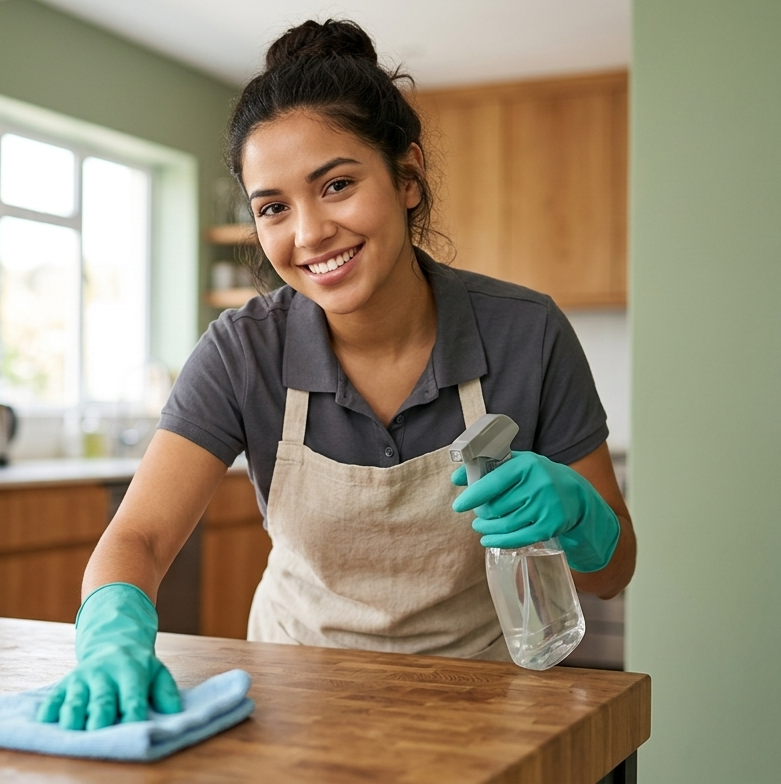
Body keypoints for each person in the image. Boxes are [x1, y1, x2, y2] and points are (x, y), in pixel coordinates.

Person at [37, 18, 636, 732]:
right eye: (273, 208)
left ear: (407, 177)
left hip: (482, 708)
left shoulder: (526, 334)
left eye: (338, 185)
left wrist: (580, 516)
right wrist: (111, 637)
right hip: (293, 707)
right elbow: (137, 539)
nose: (309, 232)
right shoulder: (243, 352)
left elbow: (611, 576)